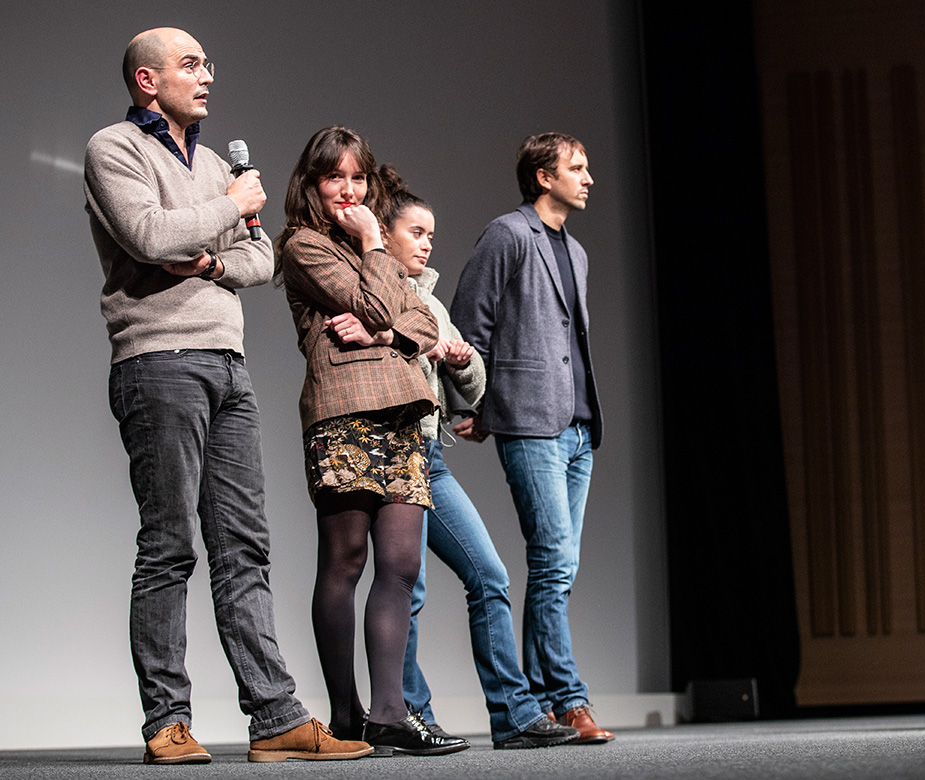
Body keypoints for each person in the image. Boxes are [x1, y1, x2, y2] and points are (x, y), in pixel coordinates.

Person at [84, 28, 371, 764]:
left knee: (245, 545)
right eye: (189, 65)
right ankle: (167, 722)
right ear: (148, 81)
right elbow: (148, 235)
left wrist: (208, 254)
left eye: (208, 63)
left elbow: (255, 259)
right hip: (158, 360)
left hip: (228, 363)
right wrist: (229, 206)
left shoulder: (214, 163)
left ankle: (275, 716)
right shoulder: (114, 150)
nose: (206, 75)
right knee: (170, 544)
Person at [333, 167, 581, 749]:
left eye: (430, 236)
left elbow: (470, 396)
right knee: (406, 587)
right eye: (415, 232)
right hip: (392, 452)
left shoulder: (433, 304)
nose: (425, 243)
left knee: (489, 576)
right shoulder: (370, 287)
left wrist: (463, 360)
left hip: (430, 455)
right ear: (384, 234)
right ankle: (407, 714)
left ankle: (514, 716)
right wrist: (404, 341)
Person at [275, 127, 466, 757]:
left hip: (406, 412)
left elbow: (415, 321)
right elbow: (387, 306)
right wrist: (375, 251)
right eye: (336, 177)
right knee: (346, 561)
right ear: (314, 183)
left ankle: (389, 712)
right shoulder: (304, 246)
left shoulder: (370, 247)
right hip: (345, 412)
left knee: (402, 567)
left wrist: (384, 328)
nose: (349, 190)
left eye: (358, 178)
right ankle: (346, 711)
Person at [449, 133, 613, 743]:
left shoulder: (576, 251)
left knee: (558, 568)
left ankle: (542, 705)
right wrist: (477, 403)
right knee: (552, 560)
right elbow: (472, 322)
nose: (588, 177)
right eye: (577, 167)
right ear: (544, 177)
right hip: (529, 422)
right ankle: (569, 699)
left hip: (575, 426)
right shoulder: (508, 235)